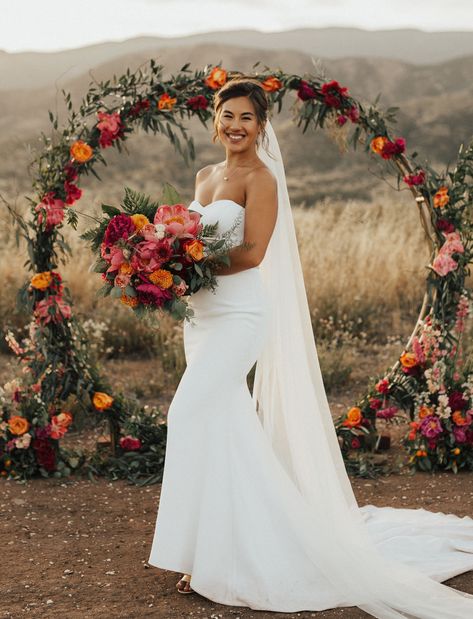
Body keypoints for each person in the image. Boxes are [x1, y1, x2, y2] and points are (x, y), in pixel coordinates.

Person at [148, 76, 473, 616]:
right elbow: (191, 234)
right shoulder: (205, 176)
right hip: (201, 319)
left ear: (262, 125)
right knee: (217, 422)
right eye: (228, 115)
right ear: (215, 118)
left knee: (187, 413)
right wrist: (158, 264)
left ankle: (253, 547)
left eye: (247, 118)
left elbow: (252, 254)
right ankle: (208, 554)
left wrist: (182, 264)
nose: (236, 126)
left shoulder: (262, 178)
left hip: (239, 315)